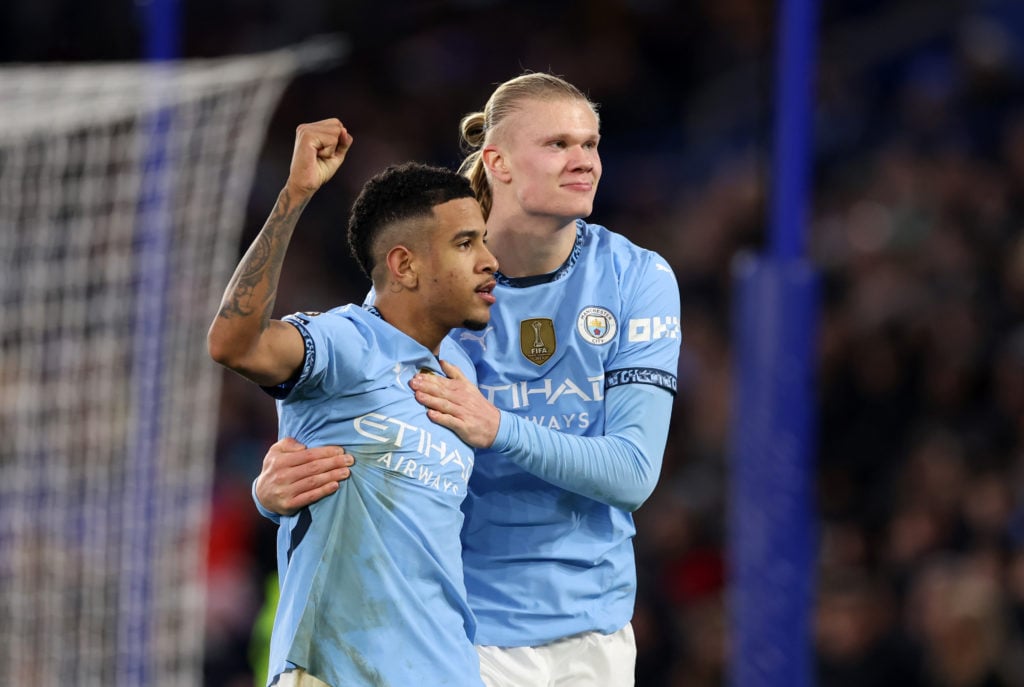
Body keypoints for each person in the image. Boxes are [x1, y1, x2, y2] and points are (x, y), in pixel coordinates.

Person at [255, 73, 682, 686]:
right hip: (456, 635)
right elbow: (350, 436)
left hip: (596, 635)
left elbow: (632, 473)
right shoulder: (428, 277)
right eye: (558, 144)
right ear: (497, 161)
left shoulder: (636, 277)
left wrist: (495, 426)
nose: (583, 160)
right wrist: (271, 495)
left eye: (590, 144)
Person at [208, 117, 498, 687]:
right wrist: (295, 196)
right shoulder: (346, 341)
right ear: (404, 265)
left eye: (483, 240)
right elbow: (232, 343)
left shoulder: (460, 372)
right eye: (466, 243)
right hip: (337, 670)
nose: (489, 260)